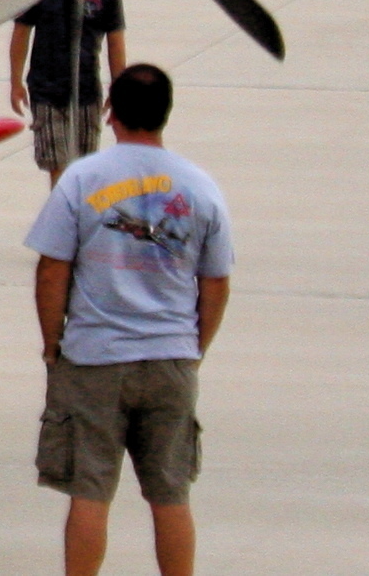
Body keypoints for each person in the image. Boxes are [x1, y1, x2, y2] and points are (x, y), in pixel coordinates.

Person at [25, 64, 232, 576]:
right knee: (171, 494)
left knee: (90, 493)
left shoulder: (81, 178)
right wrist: (193, 346)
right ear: (166, 113)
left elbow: (52, 268)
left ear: (110, 111)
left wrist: (54, 344)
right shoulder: (201, 187)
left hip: (95, 359)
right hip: (171, 360)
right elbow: (216, 281)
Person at [10, 0, 126, 186]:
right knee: (58, 168)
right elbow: (21, 32)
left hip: (87, 91)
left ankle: (81, 220)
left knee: (85, 169)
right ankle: (62, 218)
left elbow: (115, 42)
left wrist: (118, 88)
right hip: (46, 91)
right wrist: (16, 82)